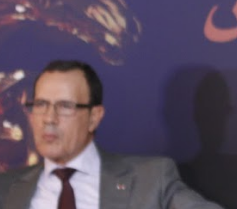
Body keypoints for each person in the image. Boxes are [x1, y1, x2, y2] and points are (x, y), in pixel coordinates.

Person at [0, 60, 223, 209]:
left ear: (94, 117)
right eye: (40, 105)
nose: (49, 118)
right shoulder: (6, 189)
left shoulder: (150, 180)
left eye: (65, 106)